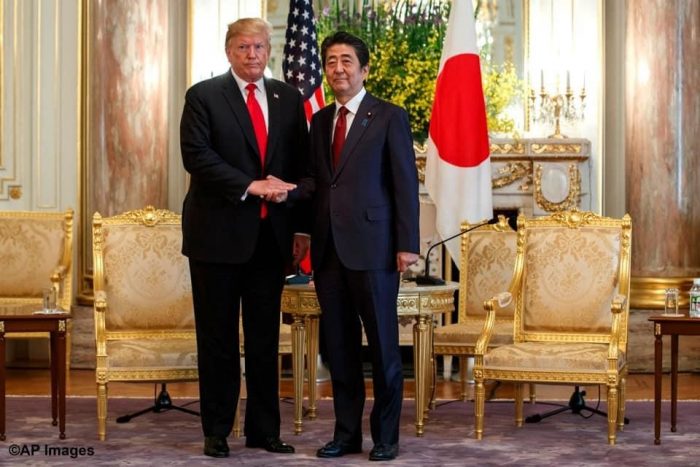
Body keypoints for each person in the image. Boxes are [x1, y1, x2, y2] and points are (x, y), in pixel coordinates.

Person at [179, 18, 310, 458]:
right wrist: (250, 185)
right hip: (216, 238)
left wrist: (301, 227)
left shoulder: (288, 98)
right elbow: (197, 157)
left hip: (270, 240)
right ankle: (217, 430)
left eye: (258, 47)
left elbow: (299, 165)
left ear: (269, 51)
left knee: (264, 340)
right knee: (217, 338)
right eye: (243, 47)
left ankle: (263, 431)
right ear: (228, 51)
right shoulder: (203, 96)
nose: (252, 54)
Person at [308, 31, 420, 462]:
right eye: (331, 61)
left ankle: (386, 437)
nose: (338, 69)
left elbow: (404, 183)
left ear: (364, 69)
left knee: (384, 348)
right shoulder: (320, 121)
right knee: (340, 350)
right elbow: (320, 184)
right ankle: (346, 434)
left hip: (375, 249)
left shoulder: (389, 116)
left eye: (347, 61)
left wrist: (407, 244)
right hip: (329, 251)